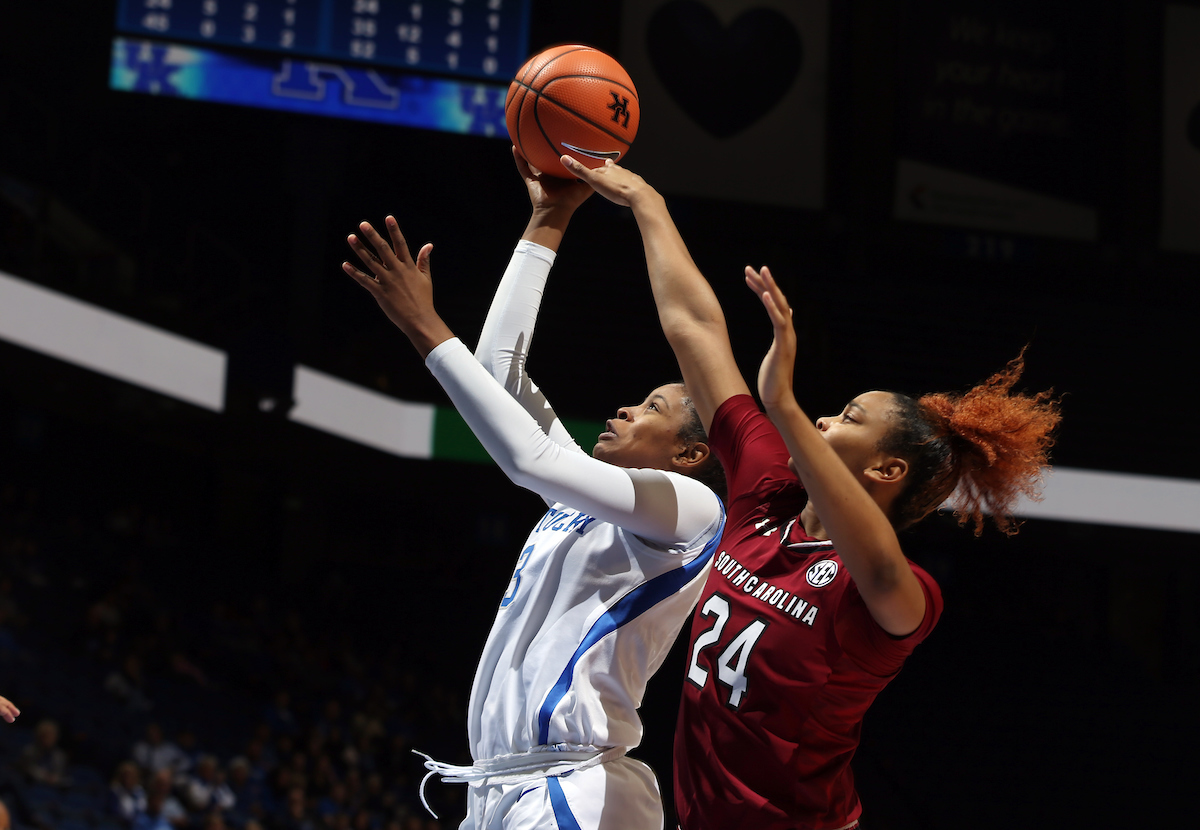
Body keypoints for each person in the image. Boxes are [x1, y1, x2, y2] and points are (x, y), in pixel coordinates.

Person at [560, 154, 1061, 830]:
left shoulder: (898, 593)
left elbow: (877, 560)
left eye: (849, 419)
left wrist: (785, 407)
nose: (826, 418)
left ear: (887, 472)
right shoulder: (767, 493)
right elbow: (697, 333)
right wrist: (647, 203)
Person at [341, 150, 726, 830]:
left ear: (693, 454)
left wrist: (423, 326)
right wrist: (548, 221)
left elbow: (530, 459)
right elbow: (499, 377)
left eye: (652, 409)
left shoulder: (692, 510)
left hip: (576, 789)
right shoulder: (584, 503)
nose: (624, 410)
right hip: (502, 789)